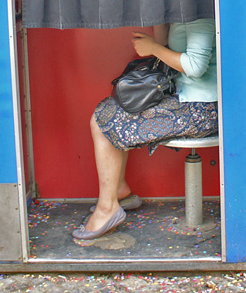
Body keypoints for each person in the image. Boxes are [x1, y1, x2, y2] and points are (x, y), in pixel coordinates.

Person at [72, 18, 218, 241]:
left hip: (202, 108)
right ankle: (119, 191)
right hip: (184, 98)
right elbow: (166, 46)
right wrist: (159, 17)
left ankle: (107, 208)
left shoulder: (198, 10)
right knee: (107, 112)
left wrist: (153, 48)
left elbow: (195, 67)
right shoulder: (182, 8)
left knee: (105, 121)